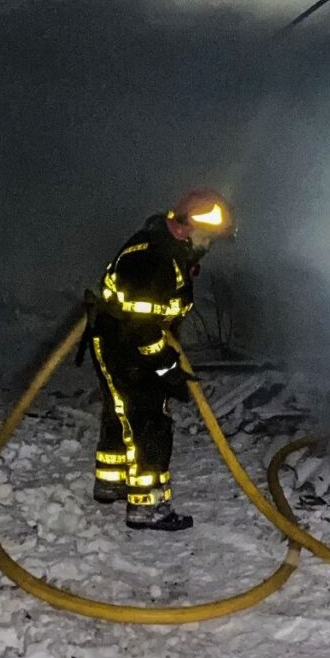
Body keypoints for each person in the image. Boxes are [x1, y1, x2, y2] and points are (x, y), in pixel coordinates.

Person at [82, 189, 234, 531]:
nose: (208, 245)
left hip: (117, 338)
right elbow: (143, 328)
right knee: (149, 422)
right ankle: (147, 506)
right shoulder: (154, 259)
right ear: (184, 228)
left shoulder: (164, 248)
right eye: (205, 237)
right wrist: (168, 369)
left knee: (121, 410)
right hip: (127, 344)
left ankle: (110, 482)